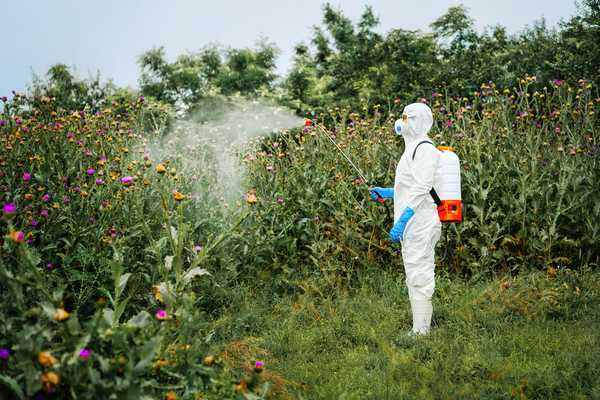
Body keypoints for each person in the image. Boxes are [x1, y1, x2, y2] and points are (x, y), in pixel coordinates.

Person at [369, 102, 441, 336]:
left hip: (420, 224)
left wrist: (403, 219)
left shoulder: (425, 149)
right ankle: (418, 328)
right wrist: (388, 192)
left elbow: (423, 188)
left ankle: (422, 332)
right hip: (413, 224)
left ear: (419, 121)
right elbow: (409, 186)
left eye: (406, 117)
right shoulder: (412, 149)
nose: (402, 122)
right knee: (413, 272)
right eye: (403, 117)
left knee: (419, 275)